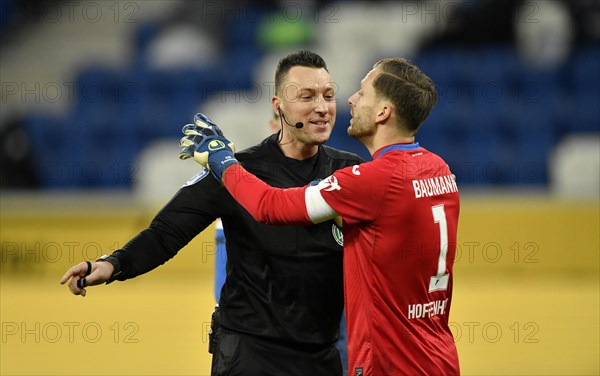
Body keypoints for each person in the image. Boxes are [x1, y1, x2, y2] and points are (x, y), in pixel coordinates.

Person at [60, 50, 364, 376]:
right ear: (278, 106)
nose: (322, 107)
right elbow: (167, 232)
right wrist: (113, 264)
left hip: (321, 356)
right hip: (250, 354)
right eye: (307, 96)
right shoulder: (237, 171)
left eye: (328, 96)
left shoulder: (350, 171)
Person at [180, 58, 460, 375]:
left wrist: (222, 160)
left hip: (391, 362)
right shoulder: (439, 171)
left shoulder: (369, 181)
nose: (351, 100)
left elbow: (269, 206)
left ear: (383, 112)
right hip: (439, 356)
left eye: (363, 93)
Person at [212, 111, 350, 375]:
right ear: (272, 127)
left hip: (331, 334)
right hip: (264, 345)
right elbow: (222, 291)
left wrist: (224, 164)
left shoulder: (338, 181)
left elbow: (270, 205)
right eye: (281, 130)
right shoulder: (244, 193)